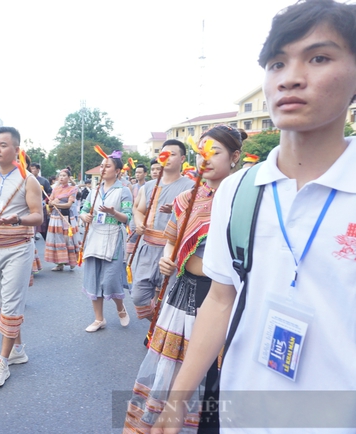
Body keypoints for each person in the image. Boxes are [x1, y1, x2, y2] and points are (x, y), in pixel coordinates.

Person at [154, 1, 356, 432]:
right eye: (277, 63)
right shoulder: (239, 190)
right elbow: (221, 299)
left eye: (319, 57)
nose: (291, 77)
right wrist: (177, 403)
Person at [124, 125, 244, 433]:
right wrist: (168, 256)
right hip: (186, 291)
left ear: (235, 157)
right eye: (202, 151)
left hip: (226, 296)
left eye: (215, 152)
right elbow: (173, 236)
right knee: (176, 369)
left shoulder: (244, 199)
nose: (207, 159)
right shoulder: (188, 198)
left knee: (216, 374)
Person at [0, 126, 43, 387]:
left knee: (11, 305)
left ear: (16, 150)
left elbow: (38, 216)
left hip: (19, 248)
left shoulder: (28, 180)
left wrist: (18, 219)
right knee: (3, 303)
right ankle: (18, 350)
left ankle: (3, 361)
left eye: (3, 145)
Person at [130, 140, 194, 320]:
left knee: (167, 300)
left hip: (171, 251)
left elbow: (194, 221)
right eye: (164, 154)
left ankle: (158, 334)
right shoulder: (148, 186)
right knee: (138, 297)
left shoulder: (191, 187)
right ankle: (157, 328)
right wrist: (139, 222)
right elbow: (138, 210)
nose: (167, 157)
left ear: (182, 158)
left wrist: (176, 211)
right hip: (147, 248)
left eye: (172, 154)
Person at [79, 151, 133, 332]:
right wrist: (84, 216)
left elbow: (127, 218)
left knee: (109, 280)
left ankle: (120, 307)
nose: (103, 169)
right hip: (94, 236)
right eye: (101, 166)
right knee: (93, 279)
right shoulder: (93, 191)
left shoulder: (123, 190)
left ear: (117, 170)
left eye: (107, 166)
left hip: (113, 237)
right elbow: (83, 209)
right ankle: (99, 319)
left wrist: (113, 213)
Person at [45, 168, 80, 271]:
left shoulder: (73, 189)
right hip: (55, 217)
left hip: (66, 216)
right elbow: (50, 202)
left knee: (67, 239)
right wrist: (52, 203)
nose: (62, 177)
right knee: (56, 239)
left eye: (64, 175)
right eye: (60, 175)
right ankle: (59, 263)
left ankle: (72, 261)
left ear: (69, 178)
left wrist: (57, 203)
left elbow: (69, 205)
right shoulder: (55, 189)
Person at [30, 162, 52, 240]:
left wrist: (44, 201)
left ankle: (48, 243)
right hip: (29, 207)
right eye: (30, 168)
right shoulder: (27, 179)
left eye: (33, 168)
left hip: (41, 207)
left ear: (38, 170)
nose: (31, 170)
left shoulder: (44, 181)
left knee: (43, 228)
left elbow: (49, 193)